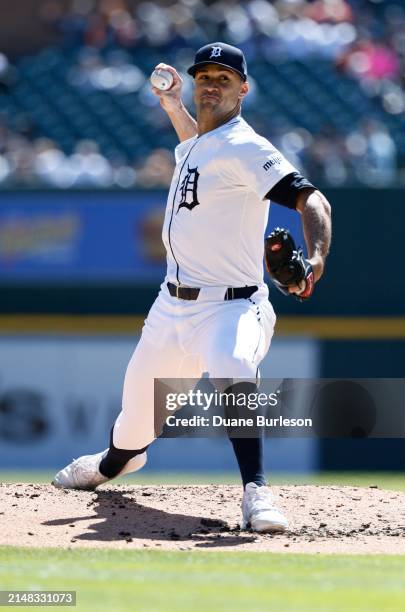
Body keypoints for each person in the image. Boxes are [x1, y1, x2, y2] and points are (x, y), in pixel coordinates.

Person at [53, 42, 332, 533]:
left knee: (233, 365)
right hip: (171, 308)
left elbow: (313, 201)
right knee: (135, 427)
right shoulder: (202, 142)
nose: (210, 85)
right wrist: (172, 105)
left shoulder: (247, 147)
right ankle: (111, 464)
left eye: (223, 79)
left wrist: (315, 260)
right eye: (205, 76)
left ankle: (256, 492)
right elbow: (196, 148)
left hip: (233, 306)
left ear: (243, 89)